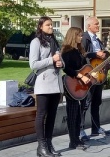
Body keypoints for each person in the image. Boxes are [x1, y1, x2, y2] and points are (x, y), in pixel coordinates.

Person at [29, 16, 63, 157]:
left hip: (56, 83)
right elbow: (33, 64)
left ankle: (49, 143)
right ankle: (41, 146)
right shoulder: (36, 42)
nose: (51, 27)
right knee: (41, 114)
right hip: (44, 83)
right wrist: (51, 60)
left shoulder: (55, 41)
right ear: (41, 27)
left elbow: (61, 59)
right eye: (48, 25)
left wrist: (62, 63)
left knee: (52, 115)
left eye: (52, 25)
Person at [79, 16, 110, 140]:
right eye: (96, 24)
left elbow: (101, 58)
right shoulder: (85, 38)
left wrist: (108, 63)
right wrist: (95, 54)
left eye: (98, 24)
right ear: (89, 26)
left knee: (96, 103)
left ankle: (96, 127)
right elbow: (82, 54)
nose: (98, 26)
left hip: (99, 76)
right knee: (85, 103)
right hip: (88, 75)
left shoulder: (98, 40)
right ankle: (80, 129)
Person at [61, 27, 90, 151]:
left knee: (79, 114)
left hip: (81, 86)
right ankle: (73, 141)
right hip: (71, 84)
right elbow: (66, 68)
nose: (81, 37)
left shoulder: (79, 50)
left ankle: (77, 137)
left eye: (82, 35)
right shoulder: (67, 51)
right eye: (79, 35)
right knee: (72, 113)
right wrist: (79, 76)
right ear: (73, 36)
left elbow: (83, 67)